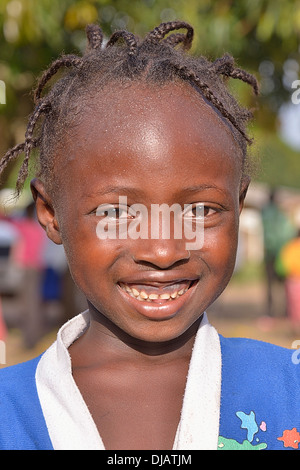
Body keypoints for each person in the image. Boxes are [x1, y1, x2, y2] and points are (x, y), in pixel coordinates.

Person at [0, 21, 299, 451]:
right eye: (117, 213)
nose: (162, 250)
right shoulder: (10, 413)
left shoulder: (290, 389)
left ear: (238, 203)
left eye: (199, 211)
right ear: (51, 214)